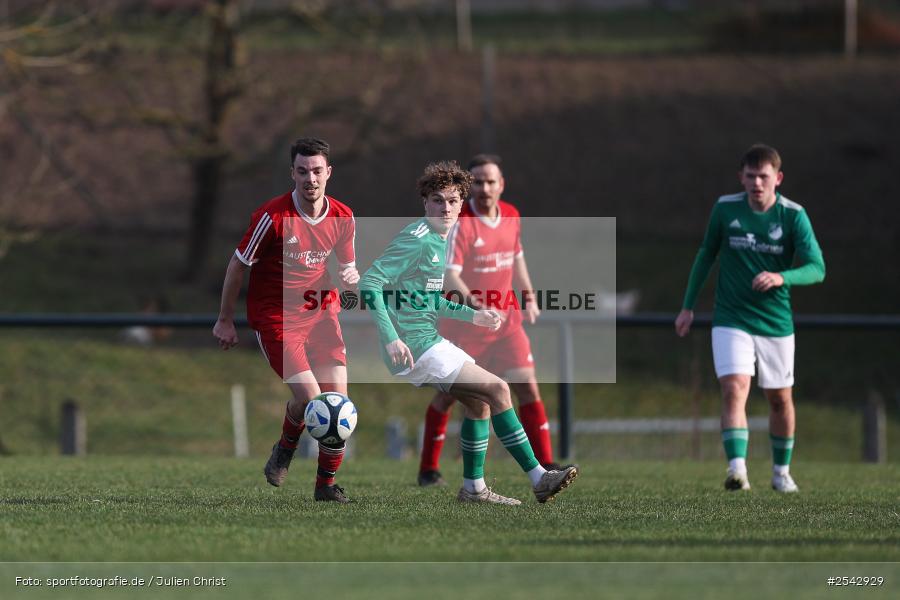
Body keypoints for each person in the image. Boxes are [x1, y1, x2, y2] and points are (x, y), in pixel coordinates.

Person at [359, 160, 578, 505]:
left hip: (427, 339)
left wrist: (473, 316)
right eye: (436, 200)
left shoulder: (439, 238)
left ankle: (474, 489)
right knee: (499, 389)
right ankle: (539, 477)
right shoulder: (416, 239)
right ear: (424, 203)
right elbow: (370, 281)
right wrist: (391, 337)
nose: (444, 208)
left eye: (451, 200)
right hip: (415, 345)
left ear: (462, 203)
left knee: (479, 405)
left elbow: (430, 299)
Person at [213, 137, 359, 503]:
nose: (310, 178)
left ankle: (325, 486)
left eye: (317, 171)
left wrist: (354, 283)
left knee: (338, 403)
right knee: (315, 403)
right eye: (302, 171)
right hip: (276, 318)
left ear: (329, 173)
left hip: (322, 315)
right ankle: (286, 448)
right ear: (292, 173)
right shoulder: (272, 217)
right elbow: (237, 265)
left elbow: (346, 269)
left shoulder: (343, 216)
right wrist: (225, 319)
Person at [675, 143, 825, 493]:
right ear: (741, 178)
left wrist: (781, 277)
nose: (757, 183)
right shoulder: (726, 209)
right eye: (751, 176)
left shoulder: (793, 215)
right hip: (731, 317)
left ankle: (780, 471)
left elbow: (818, 268)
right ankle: (737, 471)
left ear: (778, 178)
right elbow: (705, 254)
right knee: (733, 388)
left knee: (779, 398)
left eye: (764, 176)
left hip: (775, 322)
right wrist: (687, 305)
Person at [416, 154, 565, 488]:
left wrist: (527, 295)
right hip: (466, 326)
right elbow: (450, 276)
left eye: (490, 181)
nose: (484, 188)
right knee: (451, 398)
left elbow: (516, 258)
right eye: (478, 181)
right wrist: (477, 307)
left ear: (501, 185)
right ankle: (428, 468)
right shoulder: (460, 221)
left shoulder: (511, 215)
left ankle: (546, 463)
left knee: (527, 386)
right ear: (470, 186)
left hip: (506, 323)